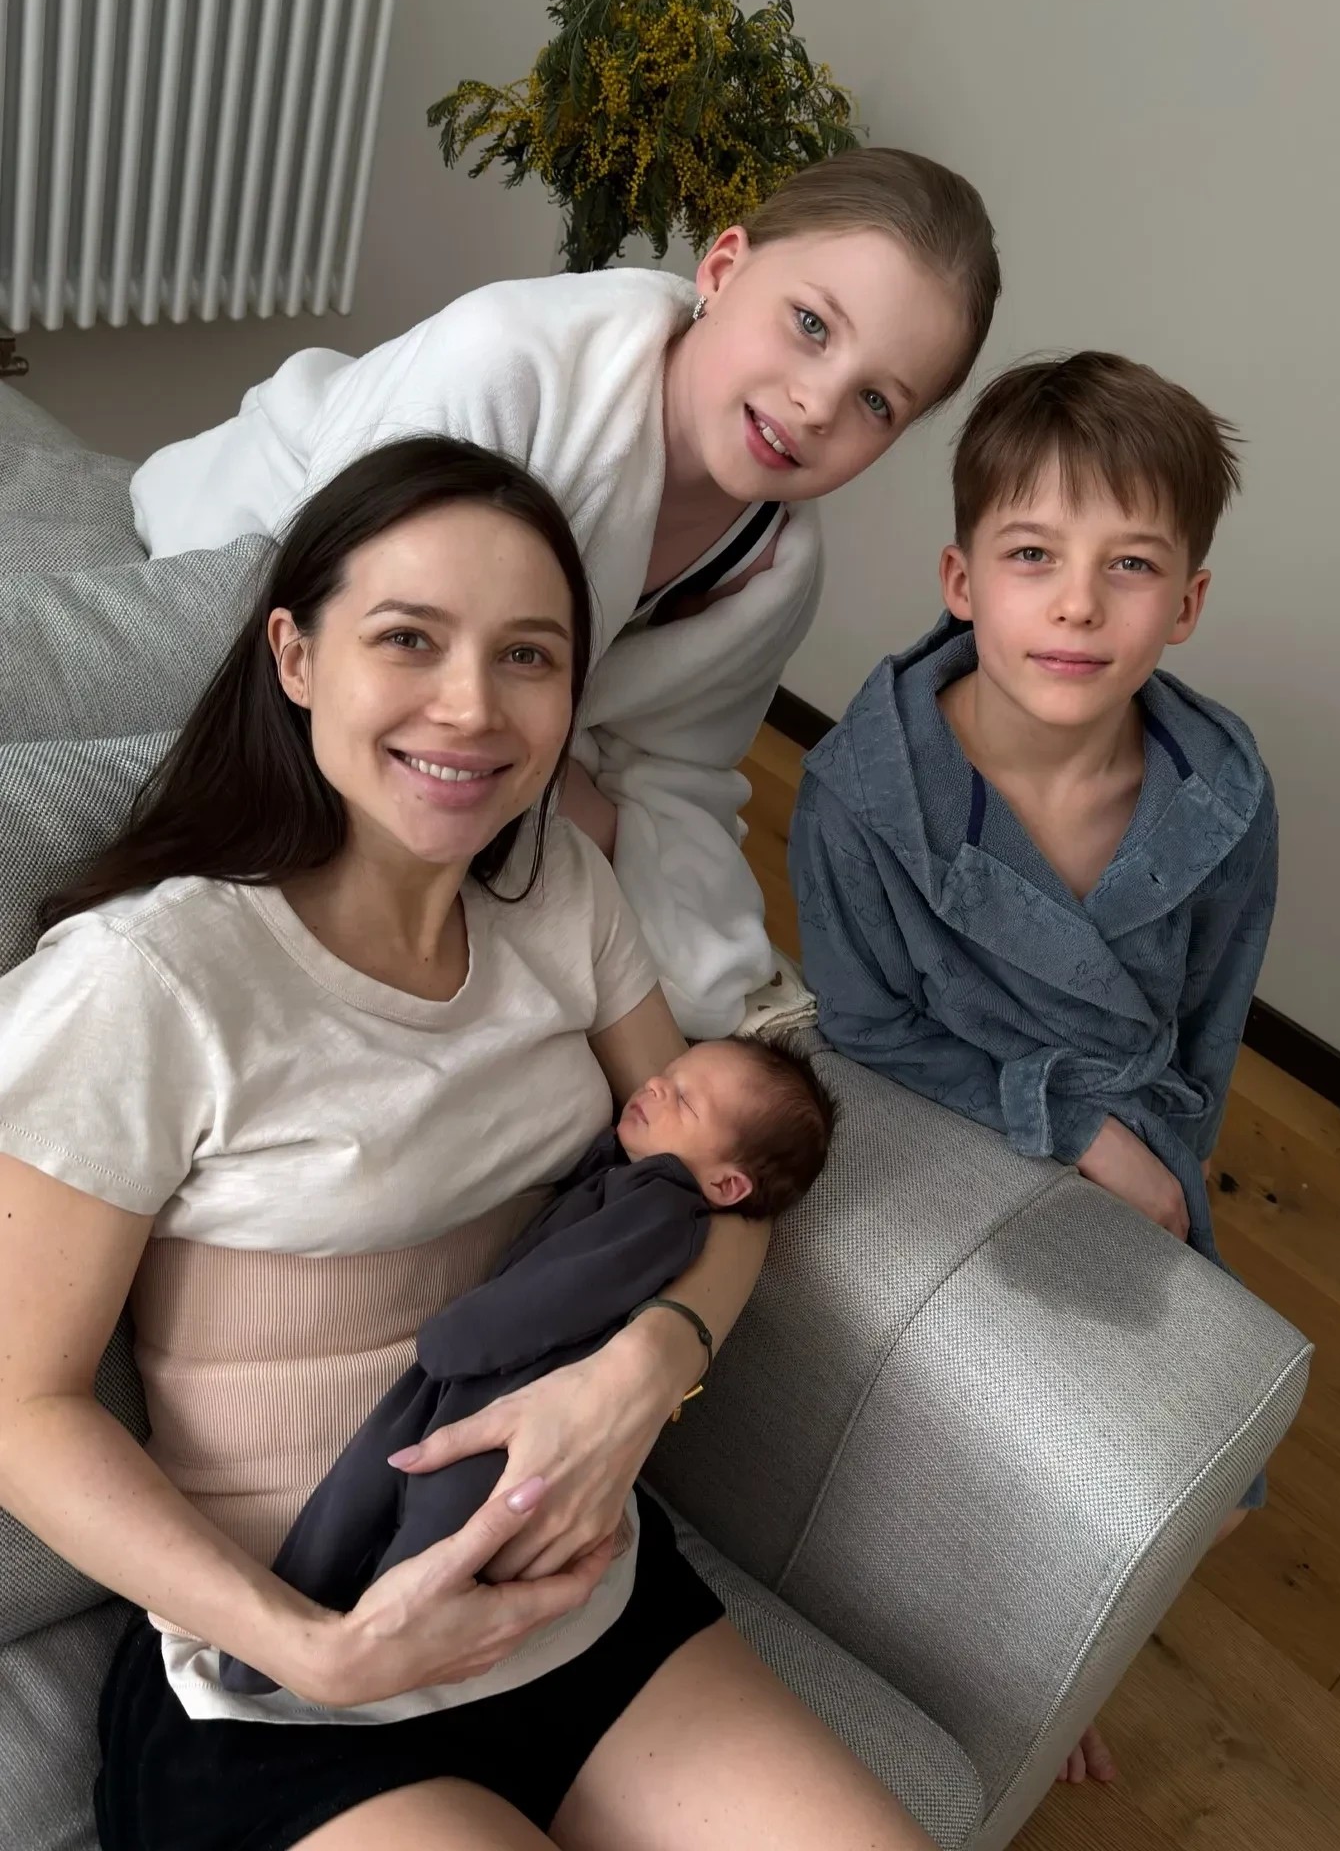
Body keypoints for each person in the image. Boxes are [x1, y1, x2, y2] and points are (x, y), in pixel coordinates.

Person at [0, 437, 937, 1850]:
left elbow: (725, 1188)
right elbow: (21, 1409)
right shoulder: (149, 982)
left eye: (527, 656)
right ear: (295, 655)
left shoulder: (561, 888)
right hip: (290, 1676)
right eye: (409, 638)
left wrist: (646, 1369)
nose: (471, 706)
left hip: (584, 1609)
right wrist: (319, 1653)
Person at [129, 148, 1002, 1039]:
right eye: (811, 324)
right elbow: (359, 631)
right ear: (723, 268)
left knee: (696, 969)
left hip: (523, 715)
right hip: (278, 542)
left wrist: (630, 856)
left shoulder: (776, 568)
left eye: (877, 402)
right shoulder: (506, 361)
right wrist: (560, 784)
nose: (818, 403)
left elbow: (681, 773)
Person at [789, 354, 1278, 1776]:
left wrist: (1165, 1180)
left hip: (1136, 1147)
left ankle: (1056, 1642)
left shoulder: (1224, 799)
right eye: (1032, 556)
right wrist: (1065, 1124)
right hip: (933, 1120)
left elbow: (1212, 1026)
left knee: (1195, 1477)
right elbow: (865, 1027)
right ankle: (961, 1638)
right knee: (962, 1428)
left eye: (1130, 565)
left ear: (1186, 603)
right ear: (961, 581)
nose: (1076, 604)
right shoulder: (863, 796)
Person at [218, 1035, 837, 1696]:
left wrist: (455, 1339)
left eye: (684, 1100)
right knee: (353, 1495)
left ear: (728, 1185)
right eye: (666, 1072)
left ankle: (351, 1678)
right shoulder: (624, 1177)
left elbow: (562, 1296)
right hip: (462, 1380)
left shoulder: (662, 1213)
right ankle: (261, 1660)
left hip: (506, 1398)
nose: (655, 1085)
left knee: (424, 1539)